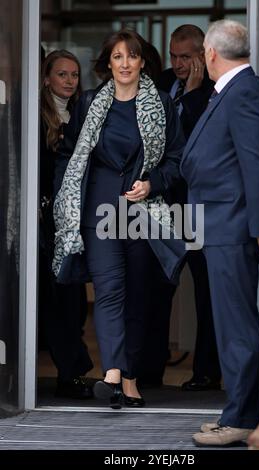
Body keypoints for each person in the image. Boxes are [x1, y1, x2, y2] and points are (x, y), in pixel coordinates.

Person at [52, 30, 186, 409]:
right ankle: (112, 374)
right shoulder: (91, 103)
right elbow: (70, 153)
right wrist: (67, 199)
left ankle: (129, 377)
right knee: (109, 292)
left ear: (143, 62)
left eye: (131, 57)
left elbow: (178, 160)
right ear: (107, 64)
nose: (124, 64)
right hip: (99, 211)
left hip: (143, 212)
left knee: (138, 297)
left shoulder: (161, 104)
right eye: (117, 57)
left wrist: (153, 182)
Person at [181, 20, 259, 446]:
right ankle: (236, 412)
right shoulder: (235, 92)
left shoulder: (244, 94)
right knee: (229, 323)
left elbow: (257, 164)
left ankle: (241, 418)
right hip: (219, 222)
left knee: (236, 325)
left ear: (211, 54)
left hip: (233, 224)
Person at [138, 25, 221, 392]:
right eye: (173, 55)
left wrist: (190, 93)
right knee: (158, 288)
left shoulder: (213, 87)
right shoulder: (165, 80)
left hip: (199, 204)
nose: (178, 63)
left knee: (205, 291)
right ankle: (149, 372)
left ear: (203, 55)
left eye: (186, 56)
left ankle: (205, 373)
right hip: (164, 205)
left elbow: (197, 137)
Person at [40, 50, 93, 399]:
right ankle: (70, 371)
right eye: (62, 74)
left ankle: (72, 369)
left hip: (74, 219)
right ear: (47, 78)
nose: (70, 81)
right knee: (54, 298)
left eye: (74, 74)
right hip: (43, 222)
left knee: (73, 297)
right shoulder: (33, 115)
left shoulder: (83, 112)